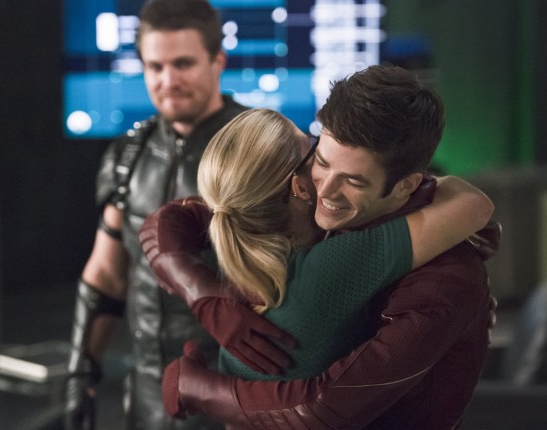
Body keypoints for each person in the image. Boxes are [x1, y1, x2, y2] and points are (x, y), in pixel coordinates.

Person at [141, 64, 500, 429]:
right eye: (321, 161)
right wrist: (203, 295)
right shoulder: (294, 219)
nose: (325, 191)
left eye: (353, 181)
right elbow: (173, 219)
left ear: (406, 185)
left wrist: (203, 389)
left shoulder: (442, 278)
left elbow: (324, 407)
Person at [179, 107, 491, 383]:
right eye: (314, 150)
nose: (322, 157)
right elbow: (474, 204)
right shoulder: (329, 266)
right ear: (300, 187)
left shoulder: (241, 262)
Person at [63, 0, 251, 429]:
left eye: (183, 63)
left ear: (218, 61)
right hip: (146, 396)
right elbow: (106, 276)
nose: (168, 81)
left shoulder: (255, 149)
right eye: (155, 66)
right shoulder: (127, 156)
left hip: (232, 394)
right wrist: (80, 375)